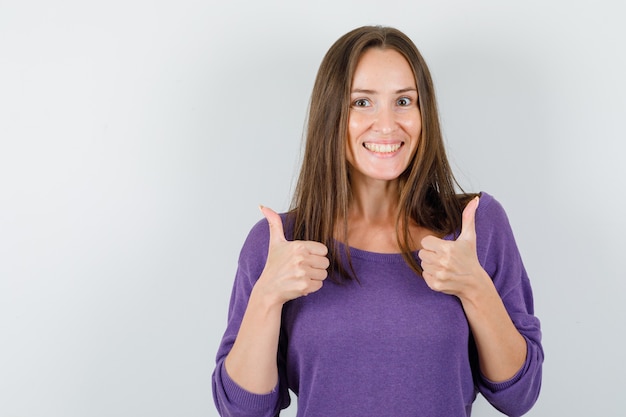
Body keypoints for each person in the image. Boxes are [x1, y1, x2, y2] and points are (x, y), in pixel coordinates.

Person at [212, 25, 543, 417]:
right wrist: (267, 297)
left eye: (404, 101)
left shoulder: (474, 227)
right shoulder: (280, 243)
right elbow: (242, 411)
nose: (387, 125)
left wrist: (475, 288)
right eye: (362, 103)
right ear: (332, 113)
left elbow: (519, 396)